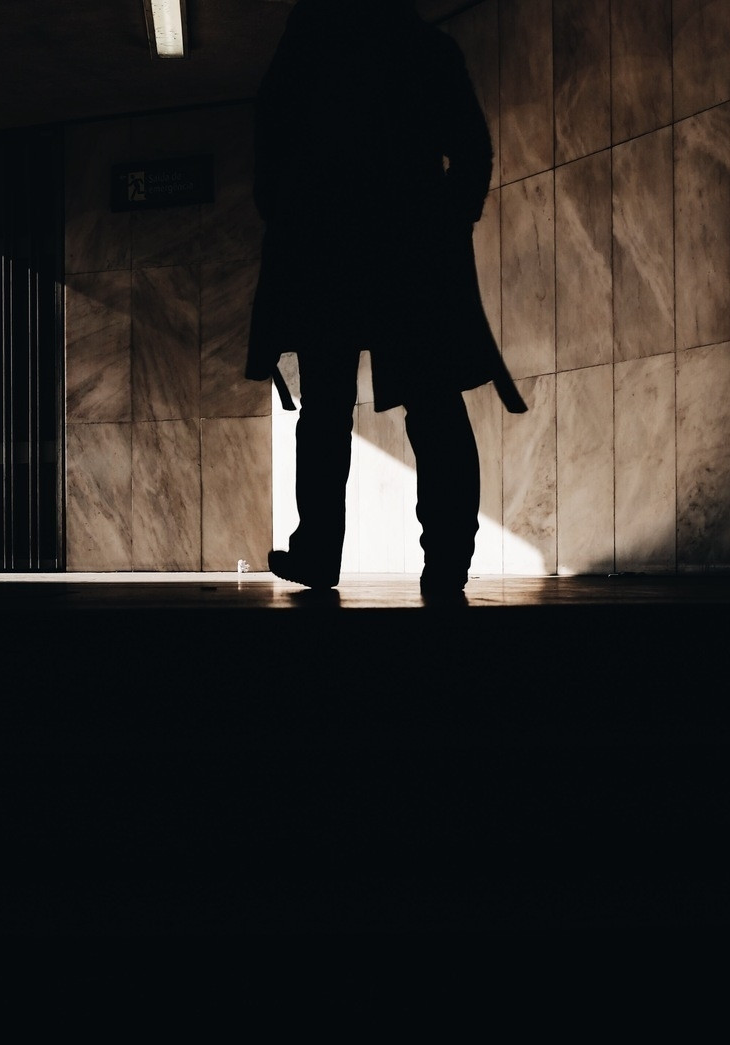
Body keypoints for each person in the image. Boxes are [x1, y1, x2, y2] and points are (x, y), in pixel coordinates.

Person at [245, 0, 524, 600]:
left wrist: (288, 217)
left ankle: (320, 550)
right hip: (409, 251)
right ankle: (448, 556)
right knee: (431, 403)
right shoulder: (425, 50)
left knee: (326, 408)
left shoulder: (309, 45)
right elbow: (472, 152)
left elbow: (268, 140)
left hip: (327, 250)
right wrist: (445, 222)